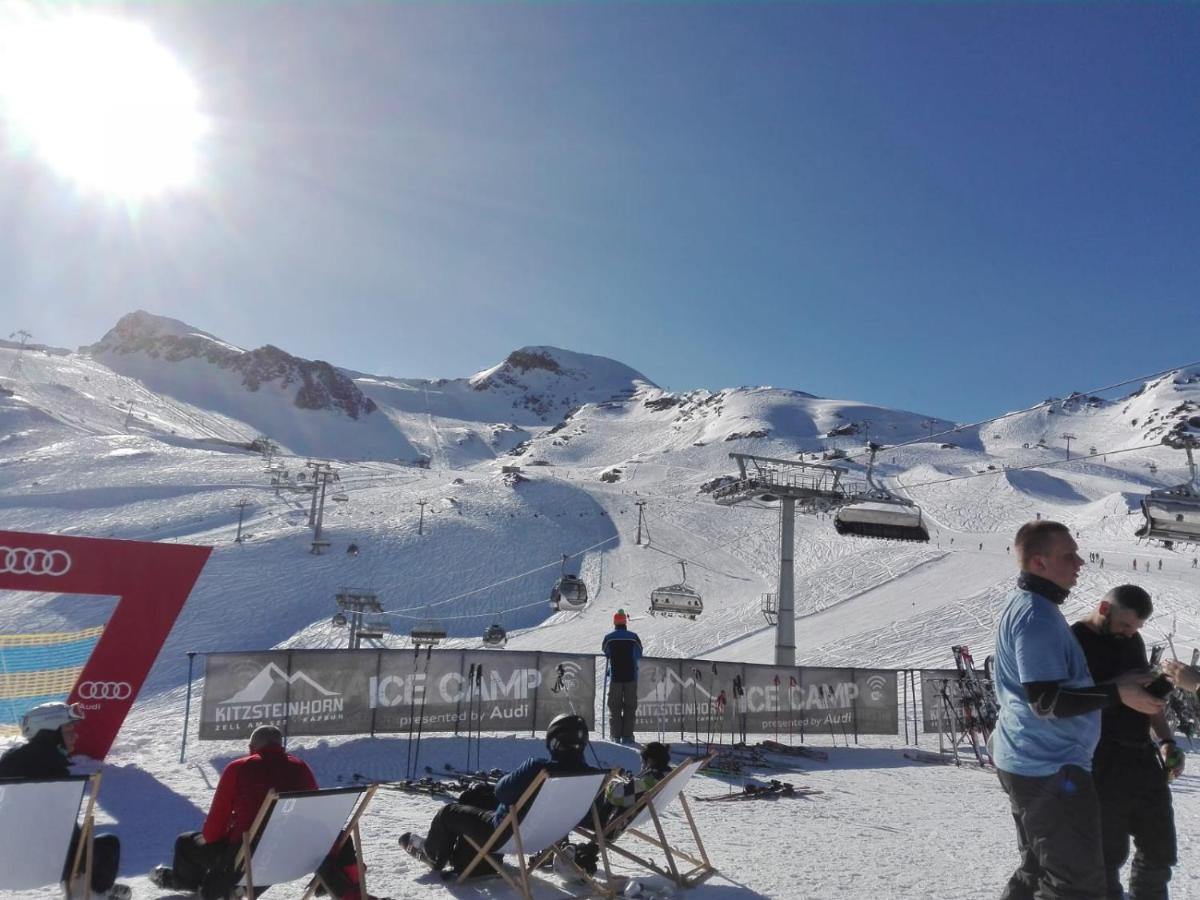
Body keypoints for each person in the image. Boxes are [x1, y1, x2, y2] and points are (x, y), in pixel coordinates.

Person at [991, 520, 1164, 900]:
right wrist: (1118, 694)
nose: (1080, 562)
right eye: (1068, 555)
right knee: (1076, 885)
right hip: (1048, 767)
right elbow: (1046, 701)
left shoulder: (1036, 607)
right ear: (1039, 563)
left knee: (1037, 869)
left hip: (1032, 761)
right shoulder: (1037, 618)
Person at [151, 725, 369, 900]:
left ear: (250, 747)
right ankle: (219, 887)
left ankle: (189, 885)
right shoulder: (301, 766)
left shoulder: (240, 767)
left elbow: (213, 830)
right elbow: (314, 811)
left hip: (250, 859)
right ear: (281, 746)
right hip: (295, 858)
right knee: (260, 845)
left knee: (186, 842)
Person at [1071, 585, 1181, 899]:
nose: (1130, 633)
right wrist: (1115, 688)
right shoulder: (1073, 641)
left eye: (1136, 628)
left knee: (1160, 848)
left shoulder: (1132, 640)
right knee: (1106, 856)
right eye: (1125, 625)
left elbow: (1149, 700)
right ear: (1105, 610)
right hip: (1100, 759)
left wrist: (1167, 741)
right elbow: (1064, 701)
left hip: (1142, 758)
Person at [399, 713, 600, 876]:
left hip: (506, 835)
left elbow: (502, 792)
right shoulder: (591, 776)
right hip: (548, 838)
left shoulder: (539, 768)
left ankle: (432, 854)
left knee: (448, 813)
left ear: (554, 742)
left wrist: (516, 776)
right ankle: (476, 862)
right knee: (477, 796)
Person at [0, 701, 130, 900]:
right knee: (106, 845)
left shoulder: (9, 761)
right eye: (69, 730)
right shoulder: (53, 769)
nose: (75, 736)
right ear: (52, 733)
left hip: (7, 858)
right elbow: (59, 823)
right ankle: (89, 893)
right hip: (47, 861)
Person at [602, 609, 643, 744]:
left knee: (615, 706)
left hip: (615, 677)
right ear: (625, 622)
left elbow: (606, 651)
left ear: (615, 622)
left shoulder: (609, 638)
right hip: (631, 677)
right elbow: (639, 653)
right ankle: (628, 736)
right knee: (630, 706)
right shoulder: (633, 637)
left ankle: (615, 735)